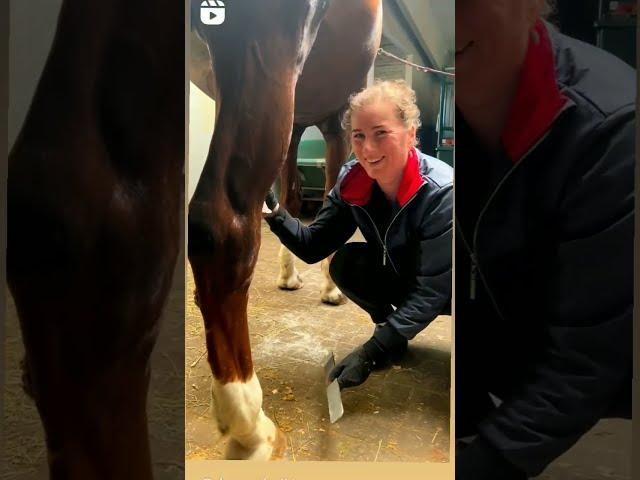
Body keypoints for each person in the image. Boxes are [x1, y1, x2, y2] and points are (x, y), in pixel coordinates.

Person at [455, 1, 634, 479]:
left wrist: (490, 461)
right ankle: (468, 411)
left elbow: (588, 361)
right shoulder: (443, 111)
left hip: (592, 355)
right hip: (506, 320)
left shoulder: (613, 130)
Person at [263, 80, 453, 390]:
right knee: (345, 262)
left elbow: (432, 291)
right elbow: (314, 247)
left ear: (410, 135)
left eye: (381, 134)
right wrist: (275, 213)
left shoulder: (442, 194)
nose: (367, 149)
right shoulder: (353, 181)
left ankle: (392, 338)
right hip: (403, 275)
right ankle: (389, 330)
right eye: (358, 136)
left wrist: (371, 352)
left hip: (449, 289)